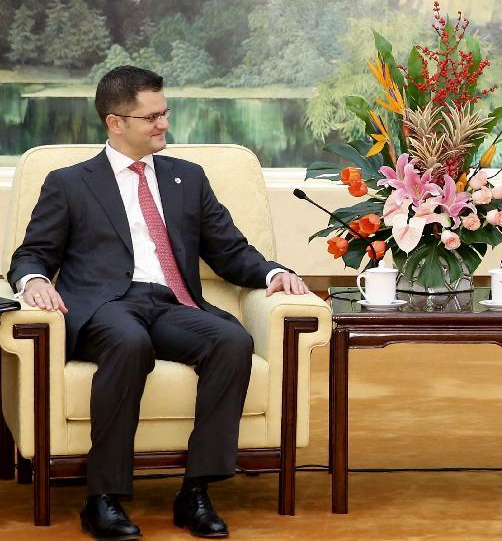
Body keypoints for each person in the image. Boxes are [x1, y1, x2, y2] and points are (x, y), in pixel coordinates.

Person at [8, 65, 310, 540]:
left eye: (164, 113)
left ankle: (195, 493)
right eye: (151, 117)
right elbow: (32, 253)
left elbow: (229, 249)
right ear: (115, 122)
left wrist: (275, 272)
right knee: (129, 344)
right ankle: (102, 499)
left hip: (172, 302)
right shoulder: (69, 183)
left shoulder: (187, 178)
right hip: (106, 306)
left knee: (231, 340)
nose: (163, 124)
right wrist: (32, 282)